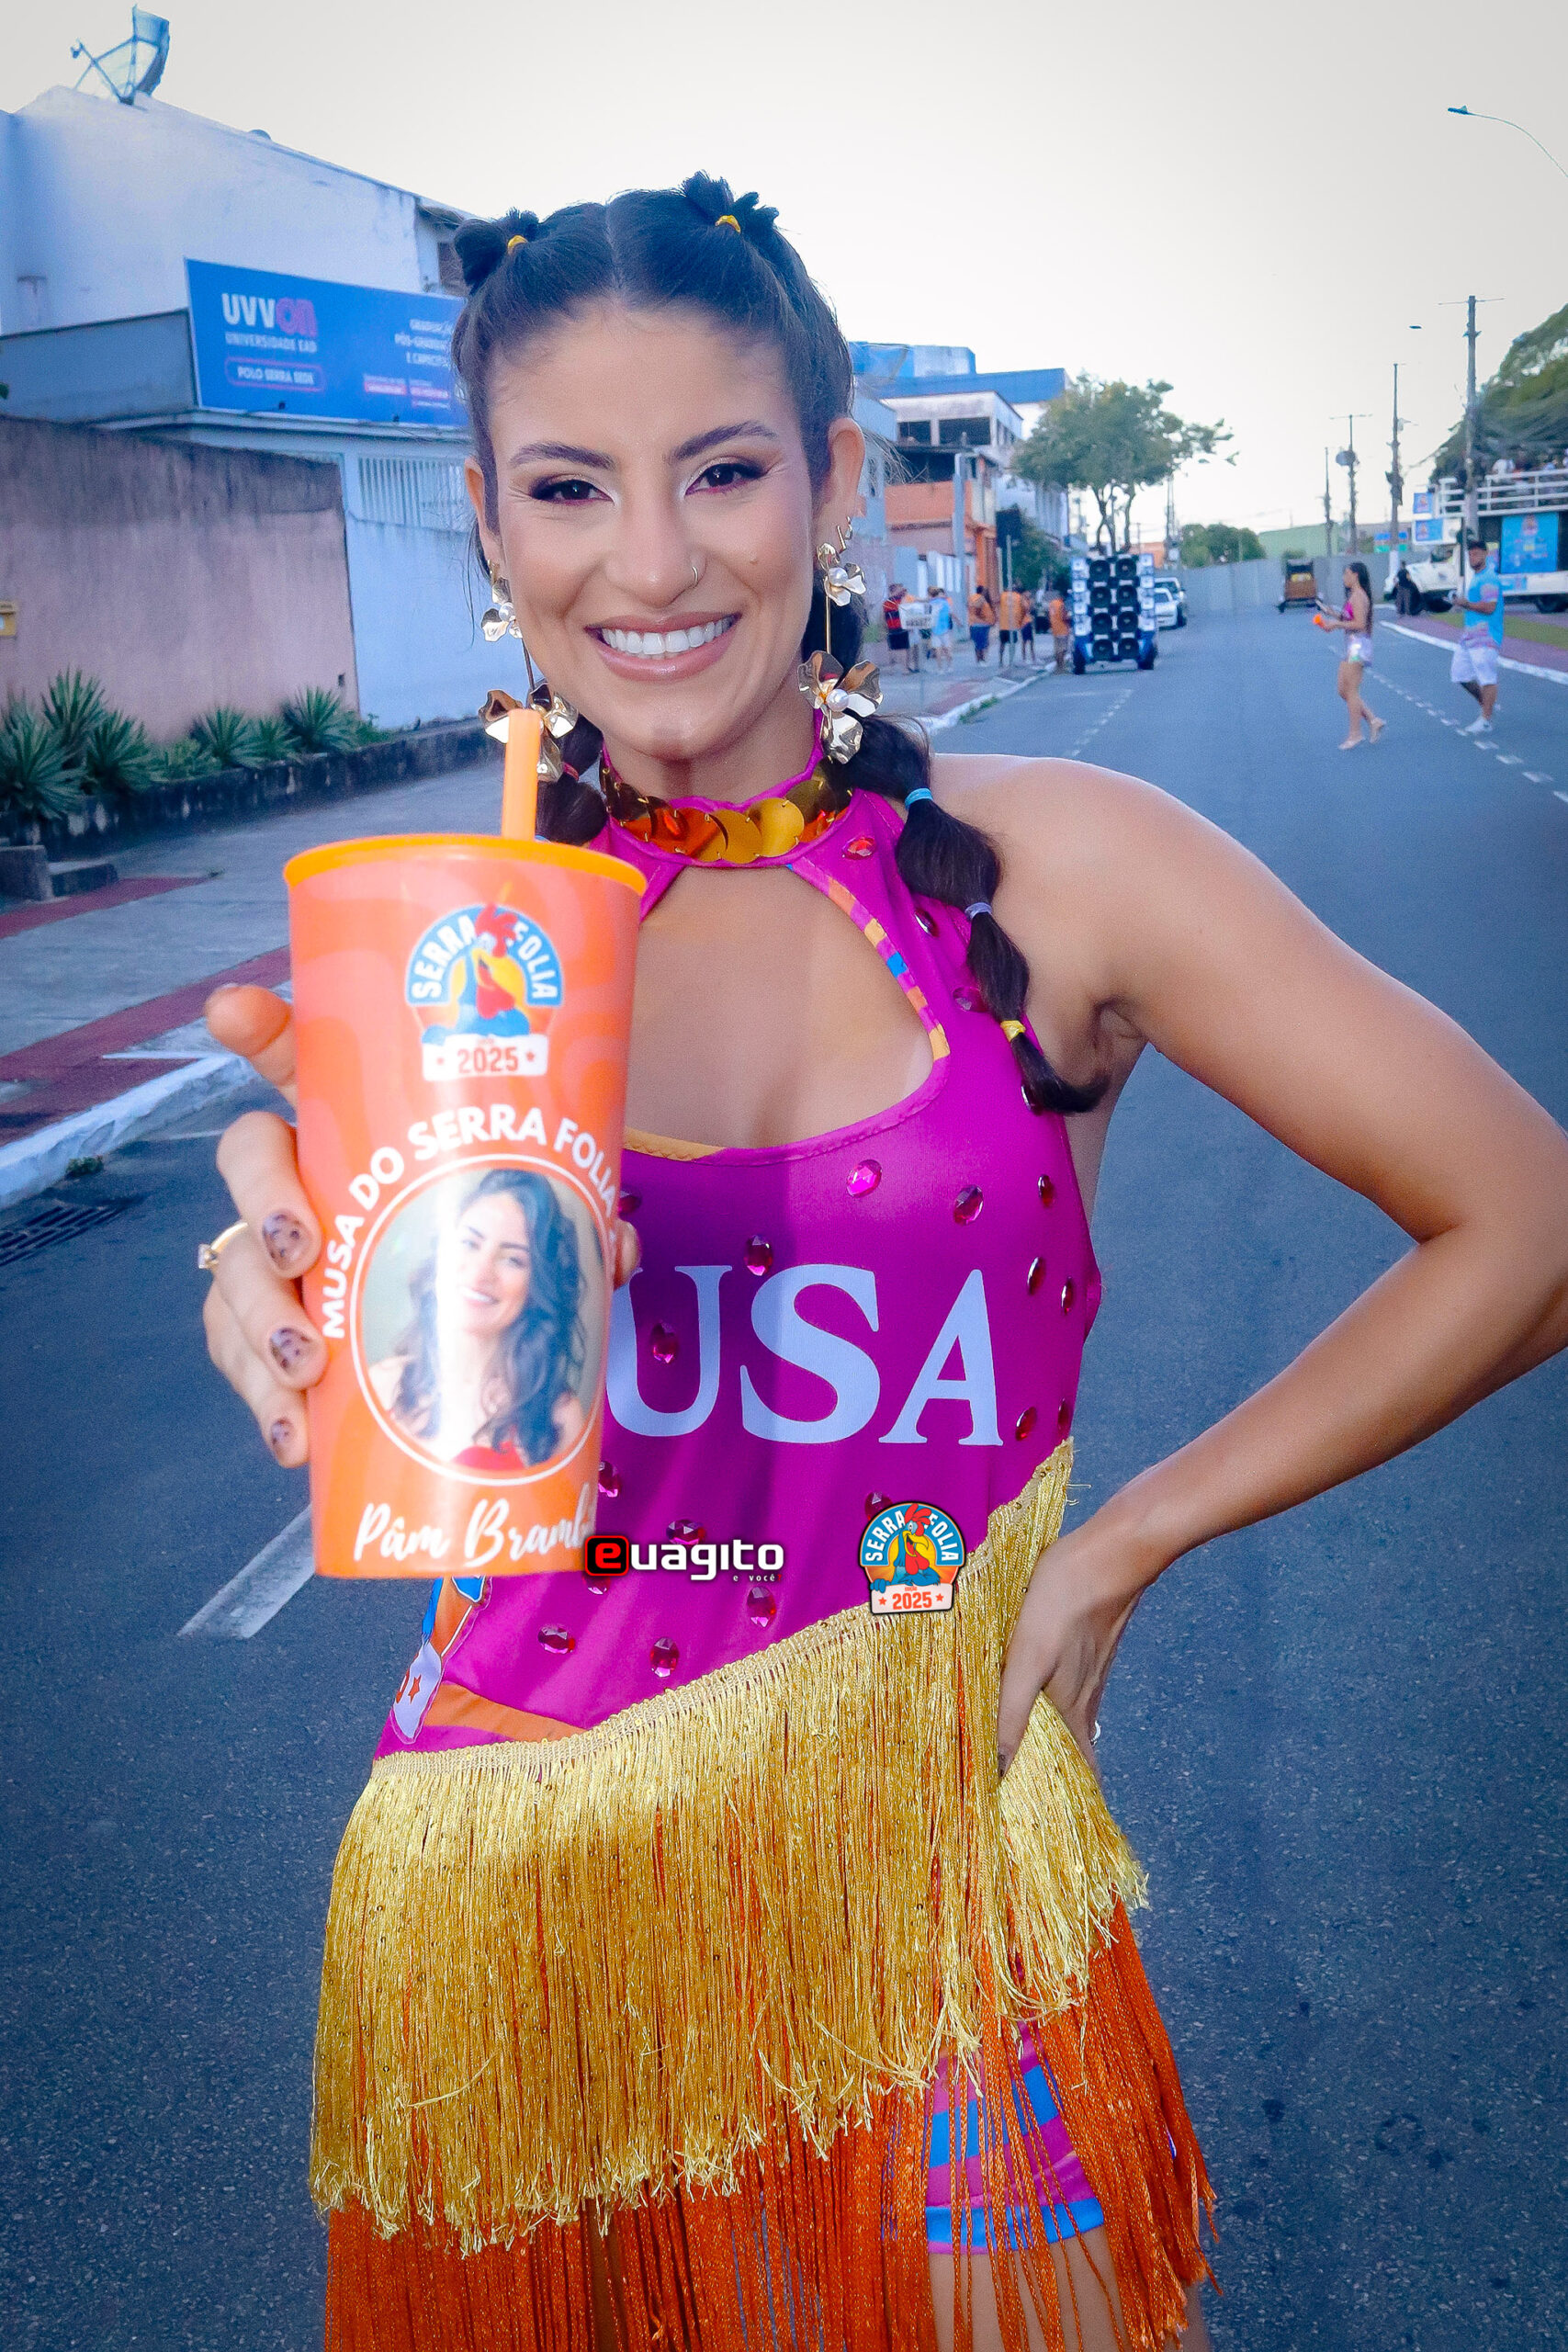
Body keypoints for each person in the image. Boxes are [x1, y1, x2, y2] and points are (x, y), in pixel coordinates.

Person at [198, 173, 1568, 2352]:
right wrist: (278, 1266)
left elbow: (1523, 1219)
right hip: (516, 1891)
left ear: (832, 479)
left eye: (720, 470)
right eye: (569, 487)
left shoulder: (1058, 867)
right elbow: (400, 1356)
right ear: (486, 525)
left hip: (931, 1875)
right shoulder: (446, 947)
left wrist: (1119, 1542)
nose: (652, 563)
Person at [369, 1166, 587, 1470]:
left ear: (537, 1285)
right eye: (470, 1243)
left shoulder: (558, 1417)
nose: (480, 1272)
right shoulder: (382, 1384)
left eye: (513, 1259)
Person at [1318, 559, 1386, 749]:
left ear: (1355, 575)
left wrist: (1336, 624)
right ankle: (1373, 720)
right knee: (1343, 690)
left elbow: (1360, 624)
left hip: (1358, 645)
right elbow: (1350, 617)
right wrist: (1333, 615)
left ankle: (1355, 734)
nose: (1344, 578)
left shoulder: (1359, 596)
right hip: (1352, 645)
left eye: (1346, 574)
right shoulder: (1354, 596)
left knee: (1351, 690)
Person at [1450, 536, 1504, 734]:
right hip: (1470, 636)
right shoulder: (1477, 578)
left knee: (1487, 677)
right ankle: (1487, 705)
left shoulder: (1489, 577)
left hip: (1486, 637)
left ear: (1486, 554)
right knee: (1459, 674)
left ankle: (1486, 719)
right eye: (1471, 554)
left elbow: (1490, 607)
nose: (1473, 557)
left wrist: (1466, 604)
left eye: (1477, 554)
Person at [882, 582, 911, 673]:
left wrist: (885, 626)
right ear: (895, 590)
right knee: (903, 648)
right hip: (901, 627)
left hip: (892, 628)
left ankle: (893, 668)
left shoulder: (886, 603)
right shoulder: (900, 601)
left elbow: (883, 617)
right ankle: (904, 668)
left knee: (893, 648)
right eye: (899, 589)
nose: (901, 591)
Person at [997, 582, 1026, 667]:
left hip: (1003, 624)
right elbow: (1025, 607)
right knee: (1012, 644)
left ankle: (1001, 661)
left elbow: (996, 602)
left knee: (1002, 643)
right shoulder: (1019, 597)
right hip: (1013, 624)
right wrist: (1021, 618)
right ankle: (1011, 661)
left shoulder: (1002, 595)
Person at [967, 580, 996, 662]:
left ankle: (979, 659)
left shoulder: (973, 597)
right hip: (981, 624)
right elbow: (976, 607)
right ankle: (981, 659)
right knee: (982, 642)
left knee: (979, 643)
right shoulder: (980, 598)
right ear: (982, 591)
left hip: (976, 623)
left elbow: (969, 606)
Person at [930, 582, 955, 668]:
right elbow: (950, 613)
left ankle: (940, 668)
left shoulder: (930, 603)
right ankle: (950, 666)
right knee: (947, 648)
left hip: (934, 629)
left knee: (938, 649)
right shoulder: (945, 603)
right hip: (945, 628)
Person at [1048, 582, 1072, 671]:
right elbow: (1064, 617)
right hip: (1062, 628)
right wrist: (1069, 617)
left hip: (1055, 628)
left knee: (1057, 648)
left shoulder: (1052, 603)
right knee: (1063, 649)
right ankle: (1061, 667)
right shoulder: (1061, 605)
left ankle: (1058, 666)